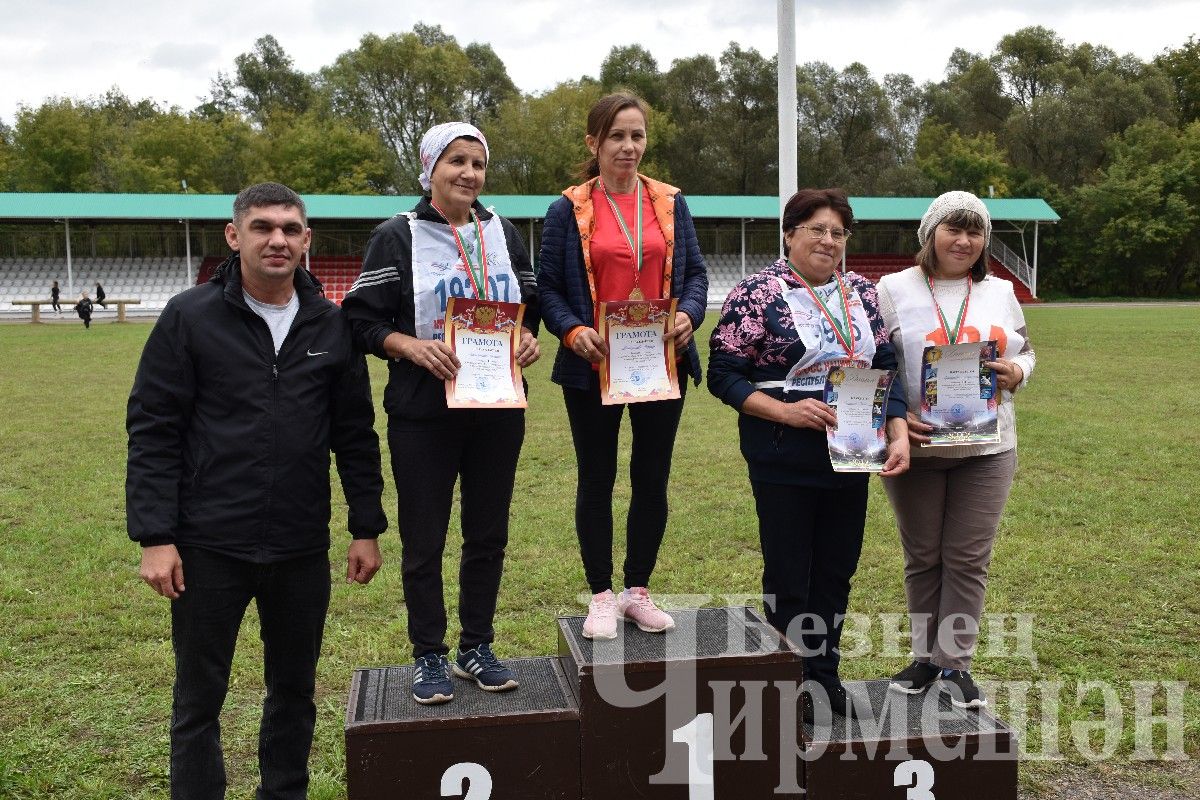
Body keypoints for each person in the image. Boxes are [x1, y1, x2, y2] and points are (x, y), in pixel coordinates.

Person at [126, 182, 387, 799]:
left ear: (307, 241)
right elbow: (153, 428)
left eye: (291, 229)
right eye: (264, 227)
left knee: (294, 692)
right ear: (234, 235)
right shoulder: (189, 316)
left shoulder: (332, 322)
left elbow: (354, 433)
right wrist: (156, 536)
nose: (278, 240)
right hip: (208, 544)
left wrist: (366, 526)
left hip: (299, 546)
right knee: (199, 700)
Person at [342, 122, 540, 705]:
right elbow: (357, 322)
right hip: (423, 411)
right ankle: (428, 652)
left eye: (478, 163)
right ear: (430, 168)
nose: (469, 174)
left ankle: (476, 645)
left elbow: (528, 305)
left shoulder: (501, 230)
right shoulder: (394, 235)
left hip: (498, 407)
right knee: (424, 538)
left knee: (488, 534)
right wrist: (409, 346)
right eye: (456, 161)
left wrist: (528, 336)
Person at [708, 188, 909, 719]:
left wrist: (899, 430)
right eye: (816, 229)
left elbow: (887, 366)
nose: (828, 240)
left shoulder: (861, 294)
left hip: (853, 453)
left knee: (836, 572)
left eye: (838, 232)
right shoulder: (756, 294)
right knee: (790, 573)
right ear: (791, 233)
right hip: (783, 456)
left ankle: (824, 676)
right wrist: (786, 411)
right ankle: (787, 679)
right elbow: (723, 375)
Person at [537, 93, 708, 641]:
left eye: (637, 136)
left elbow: (698, 275)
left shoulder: (670, 203)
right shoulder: (568, 209)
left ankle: (638, 590)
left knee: (651, 478)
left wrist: (689, 315)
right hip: (594, 365)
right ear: (594, 143)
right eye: (617, 136)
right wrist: (572, 330)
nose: (629, 147)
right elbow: (549, 288)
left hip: (660, 361)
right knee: (597, 477)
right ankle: (602, 596)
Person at [877, 191, 1035, 709]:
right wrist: (898, 418)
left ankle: (955, 666)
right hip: (916, 446)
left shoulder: (1000, 291)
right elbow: (877, 360)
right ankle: (925, 659)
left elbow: (1026, 352)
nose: (964, 241)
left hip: (987, 447)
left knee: (968, 559)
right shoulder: (892, 289)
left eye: (974, 232)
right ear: (930, 235)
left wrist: (1019, 373)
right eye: (953, 229)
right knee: (923, 556)